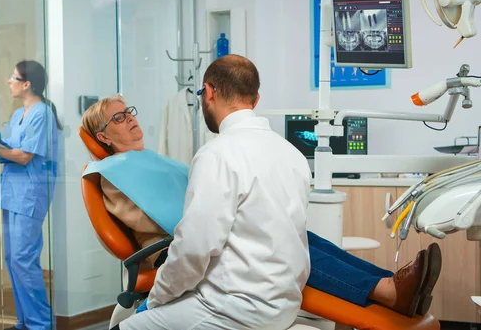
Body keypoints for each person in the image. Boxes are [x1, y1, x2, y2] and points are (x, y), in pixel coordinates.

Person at [81, 58, 441, 328]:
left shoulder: (185, 157)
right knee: (285, 236)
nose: (129, 117)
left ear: (209, 93)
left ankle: (388, 284)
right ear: (103, 137)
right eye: (117, 117)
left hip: (221, 276)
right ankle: (387, 289)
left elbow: (198, 232)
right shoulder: (111, 174)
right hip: (181, 253)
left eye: (128, 111)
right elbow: (160, 232)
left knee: (300, 236)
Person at [0, 60, 61, 330]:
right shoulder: (20, 114)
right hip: (11, 193)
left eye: (13, 77)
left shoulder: (41, 113)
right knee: (12, 259)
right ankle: (25, 322)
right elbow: (11, 150)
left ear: (27, 84)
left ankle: (41, 324)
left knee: (24, 259)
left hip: (29, 195)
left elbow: (24, 155)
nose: (9, 82)